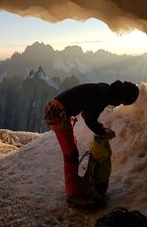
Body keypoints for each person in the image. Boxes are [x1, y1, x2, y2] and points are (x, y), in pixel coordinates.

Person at [44, 80, 139, 209]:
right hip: (58, 112)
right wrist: (102, 132)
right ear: (122, 96)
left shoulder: (105, 89)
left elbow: (86, 113)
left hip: (57, 108)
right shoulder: (103, 96)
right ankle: (73, 196)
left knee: (71, 153)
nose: (119, 104)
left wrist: (101, 129)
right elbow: (89, 119)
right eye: (122, 101)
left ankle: (74, 186)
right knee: (71, 156)